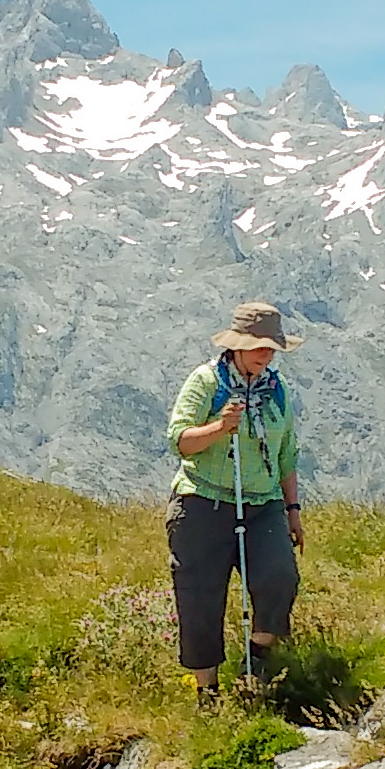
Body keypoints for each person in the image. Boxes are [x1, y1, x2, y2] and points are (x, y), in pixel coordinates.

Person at [165, 301, 308, 702]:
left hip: (263, 503)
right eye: (259, 346)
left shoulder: (277, 392)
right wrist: (219, 427)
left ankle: (255, 668)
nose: (266, 355)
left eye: (271, 348)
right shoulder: (205, 382)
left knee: (280, 579)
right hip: (202, 502)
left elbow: (286, 455)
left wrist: (292, 510)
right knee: (200, 595)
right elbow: (180, 441)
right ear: (238, 347)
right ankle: (207, 693)